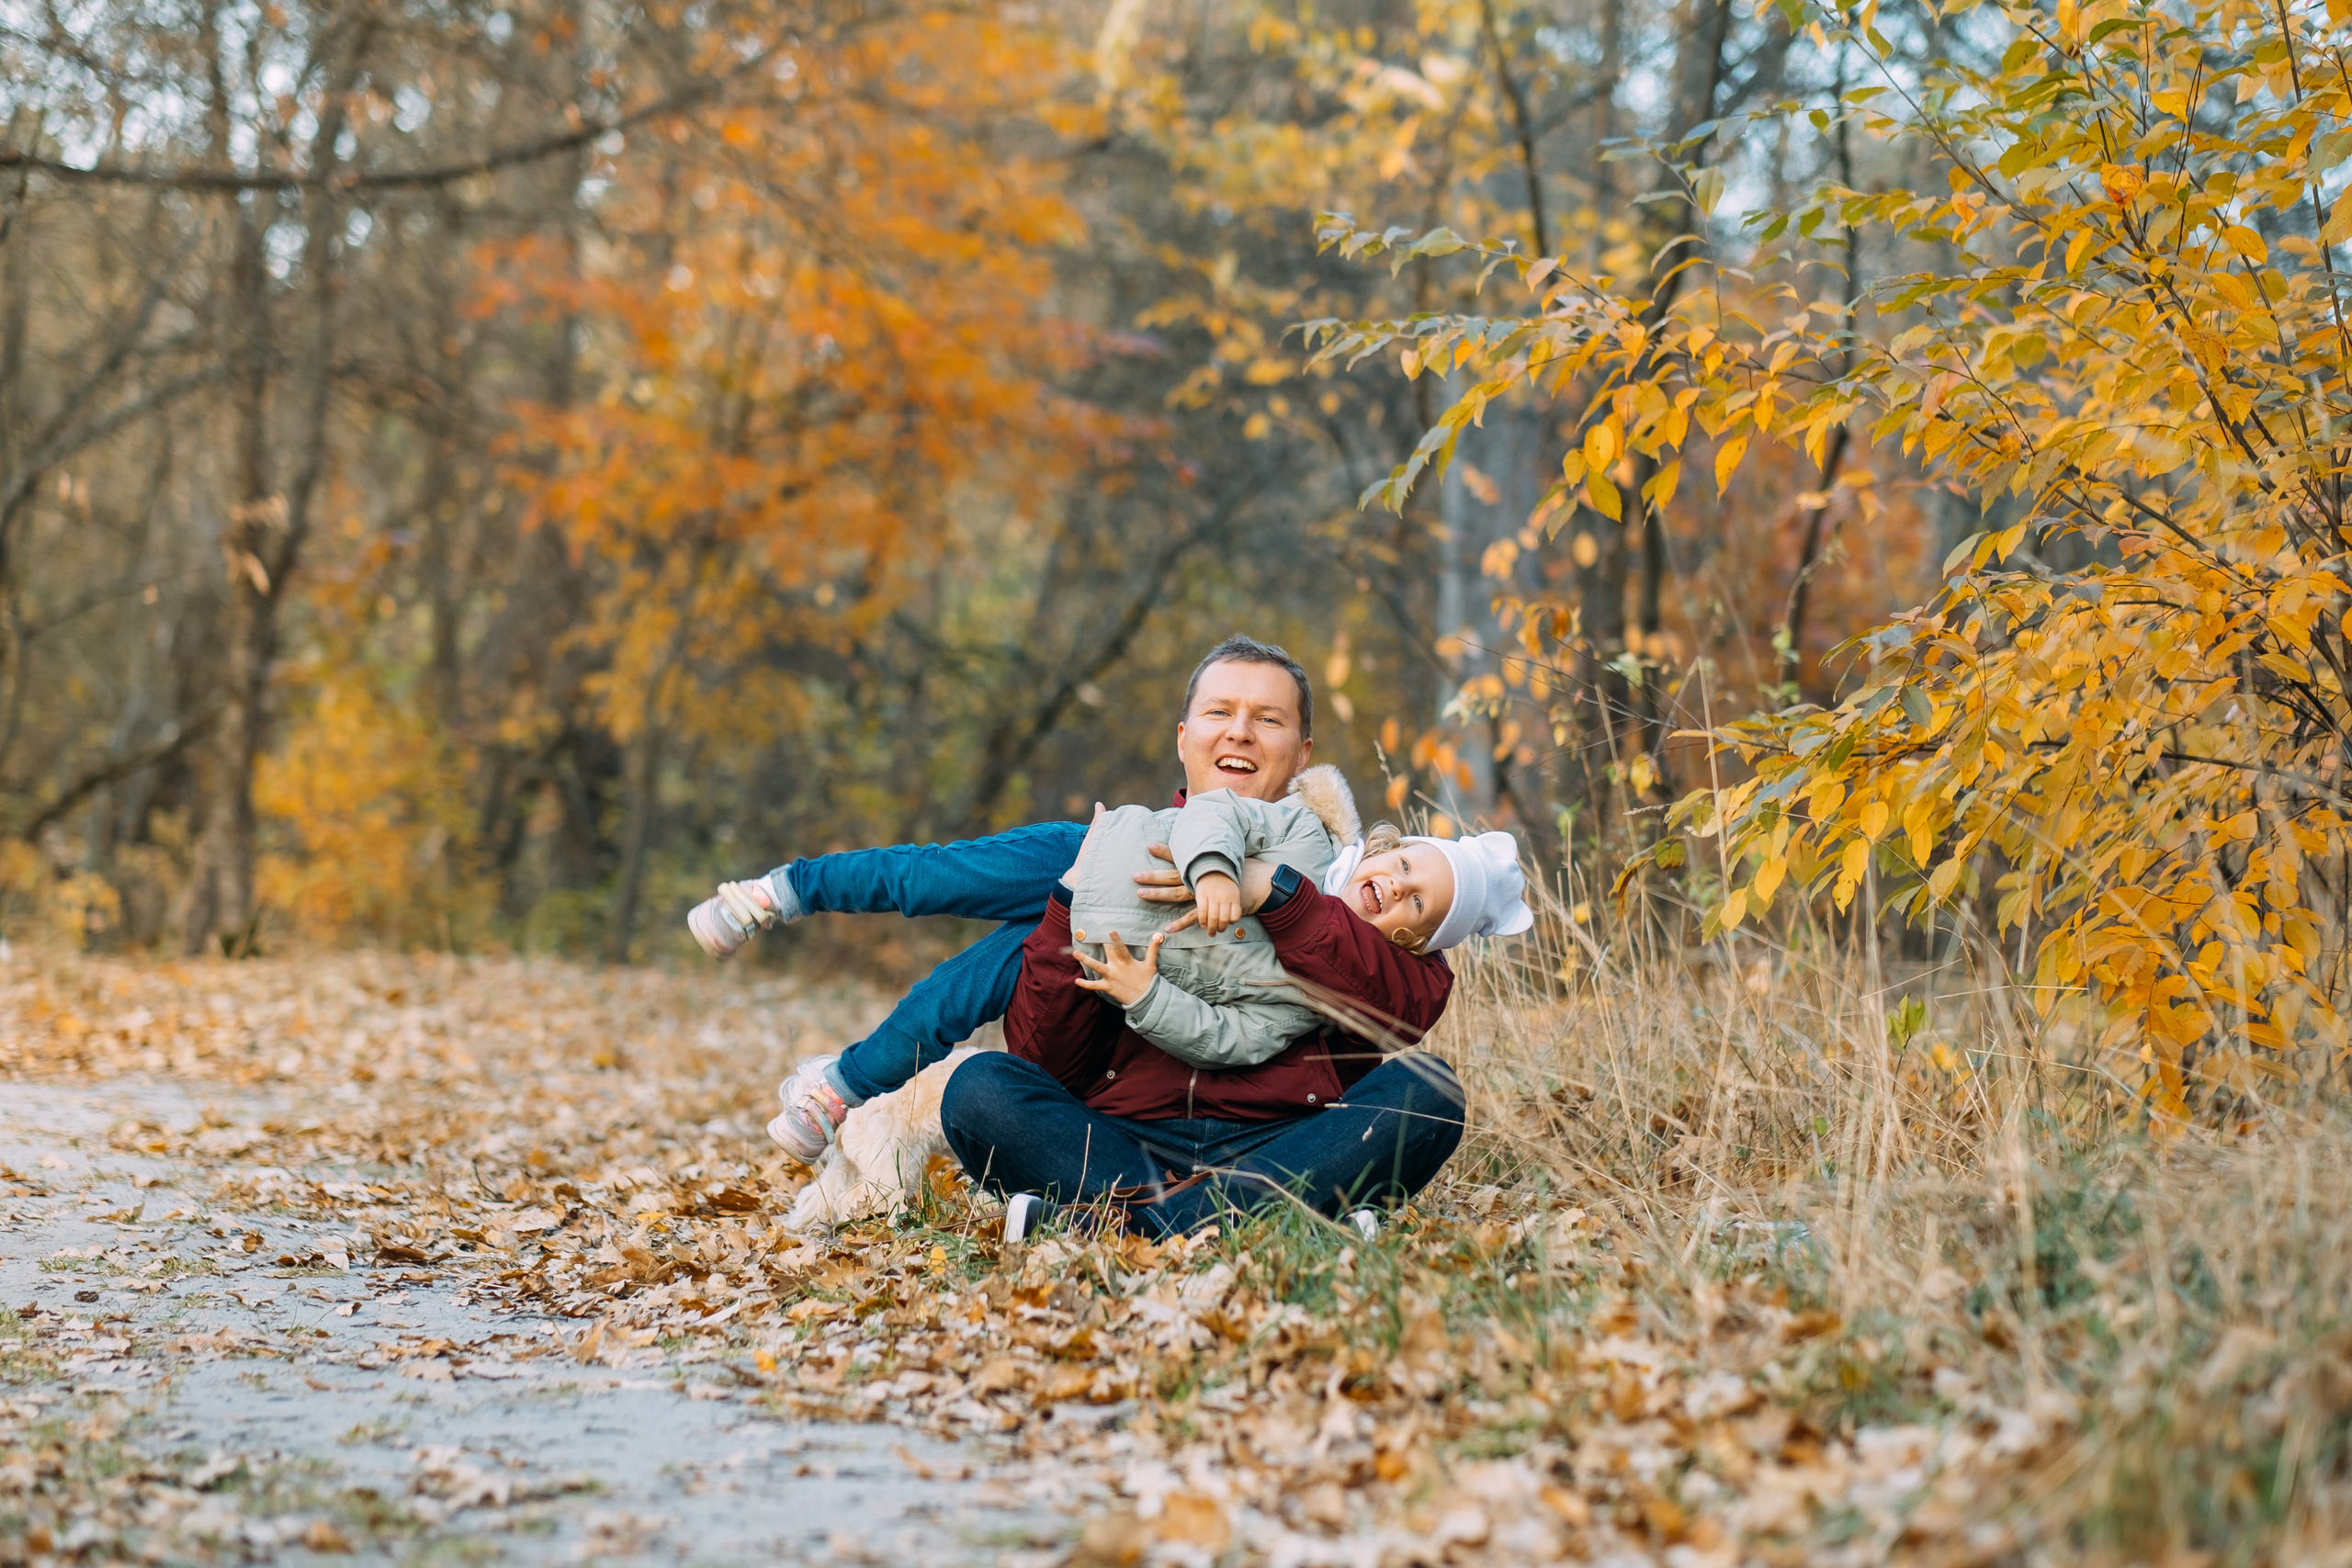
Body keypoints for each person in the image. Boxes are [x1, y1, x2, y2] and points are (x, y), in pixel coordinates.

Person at [685, 636, 1328, 1158]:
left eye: (1267, 719)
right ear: (1183, 738)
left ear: (1301, 756)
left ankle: (843, 1083)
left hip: (1121, 992)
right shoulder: (1111, 838)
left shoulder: (1318, 872)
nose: (1241, 731)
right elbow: (1211, 819)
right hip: (1092, 852)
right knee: (934, 877)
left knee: (976, 978)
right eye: (1221, 712)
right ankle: (782, 890)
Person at [964, 824, 1531, 1240]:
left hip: (1284, 1150)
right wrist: (1068, 903)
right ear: (1185, 739)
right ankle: (1256, 1227)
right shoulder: (1148, 850)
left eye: (1417, 903)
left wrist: (1281, 894)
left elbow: (1407, 1001)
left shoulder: (1383, 942)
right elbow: (1042, 1061)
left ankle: (1128, 1225)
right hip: (1128, 1142)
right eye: (1405, 869)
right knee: (980, 1087)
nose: (1396, 890)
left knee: (1431, 1091)